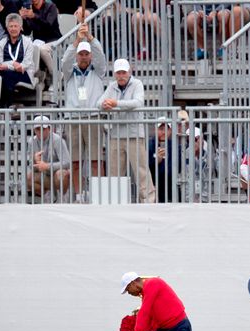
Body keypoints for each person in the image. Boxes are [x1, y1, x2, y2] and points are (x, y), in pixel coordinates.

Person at [98, 58, 156, 203]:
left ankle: (149, 201)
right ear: (114, 74)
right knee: (114, 172)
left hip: (134, 134)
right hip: (116, 135)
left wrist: (115, 103)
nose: (121, 75)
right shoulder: (112, 87)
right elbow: (99, 103)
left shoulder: (137, 84)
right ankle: (115, 201)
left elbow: (137, 102)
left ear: (129, 72)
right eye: (118, 73)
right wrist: (105, 105)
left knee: (141, 171)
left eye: (123, 72)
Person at [61, 23, 105, 201]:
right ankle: (79, 195)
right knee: (76, 162)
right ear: (77, 55)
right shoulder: (69, 73)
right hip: (73, 119)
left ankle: (98, 194)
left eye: (87, 54)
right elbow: (65, 60)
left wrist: (91, 37)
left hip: (93, 118)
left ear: (90, 55)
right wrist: (78, 39)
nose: (84, 57)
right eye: (81, 54)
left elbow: (101, 56)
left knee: (96, 160)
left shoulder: (98, 71)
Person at [25, 115, 71, 201]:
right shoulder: (32, 141)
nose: (40, 132)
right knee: (27, 178)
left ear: (49, 129)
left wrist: (47, 166)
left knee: (62, 174)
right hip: (44, 175)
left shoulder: (57, 140)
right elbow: (31, 167)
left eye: (43, 129)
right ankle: (47, 196)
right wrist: (35, 161)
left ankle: (63, 199)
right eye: (38, 129)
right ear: (34, 130)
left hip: (56, 174)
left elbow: (67, 162)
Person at [0, 13, 35, 107]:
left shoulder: (28, 42)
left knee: (6, 75)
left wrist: (8, 66)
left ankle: (1, 107)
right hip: (7, 73)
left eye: (16, 26)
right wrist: (13, 63)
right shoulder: (1, 43)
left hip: (24, 74)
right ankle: (8, 107)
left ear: (20, 27)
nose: (13, 29)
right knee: (5, 76)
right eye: (11, 26)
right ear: (7, 28)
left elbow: (26, 64)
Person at [148, 117, 176, 203]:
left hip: (171, 188)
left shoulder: (175, 146)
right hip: (154, 187)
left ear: (170, 131)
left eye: (166, 129)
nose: (163, 132)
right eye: (161, 129)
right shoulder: (150, 145)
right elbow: (144, 167)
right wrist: (156, 161)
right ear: (156, 130)